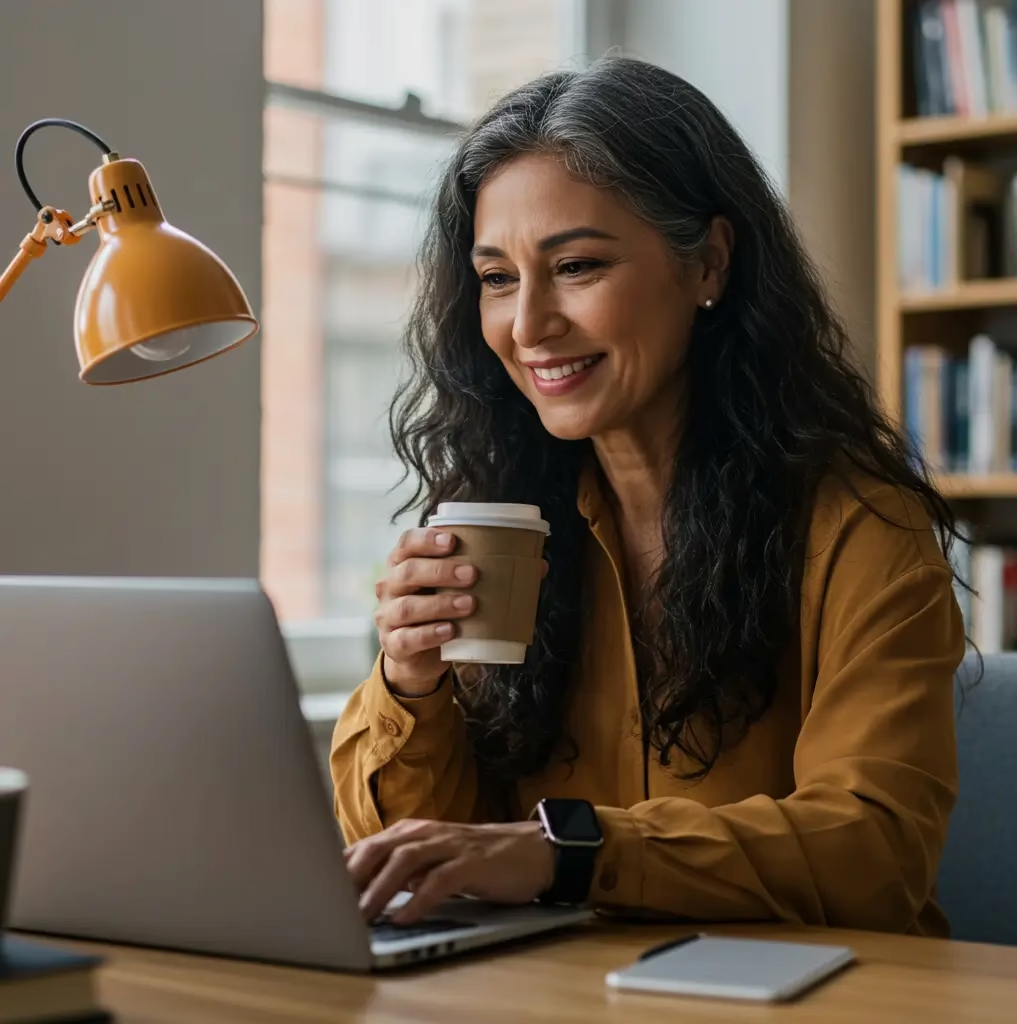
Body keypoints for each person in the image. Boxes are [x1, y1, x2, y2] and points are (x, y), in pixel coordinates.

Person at [331, 57, 966, 936]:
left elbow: (875, 852)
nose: (528, 326)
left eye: (577, 265)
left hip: (816, 989)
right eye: (498, 278)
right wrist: (410, 684)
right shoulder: (504, 527)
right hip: (564, 989)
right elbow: (410, 861)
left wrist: (568, 852)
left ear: (709, 263)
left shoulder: (861, 530)